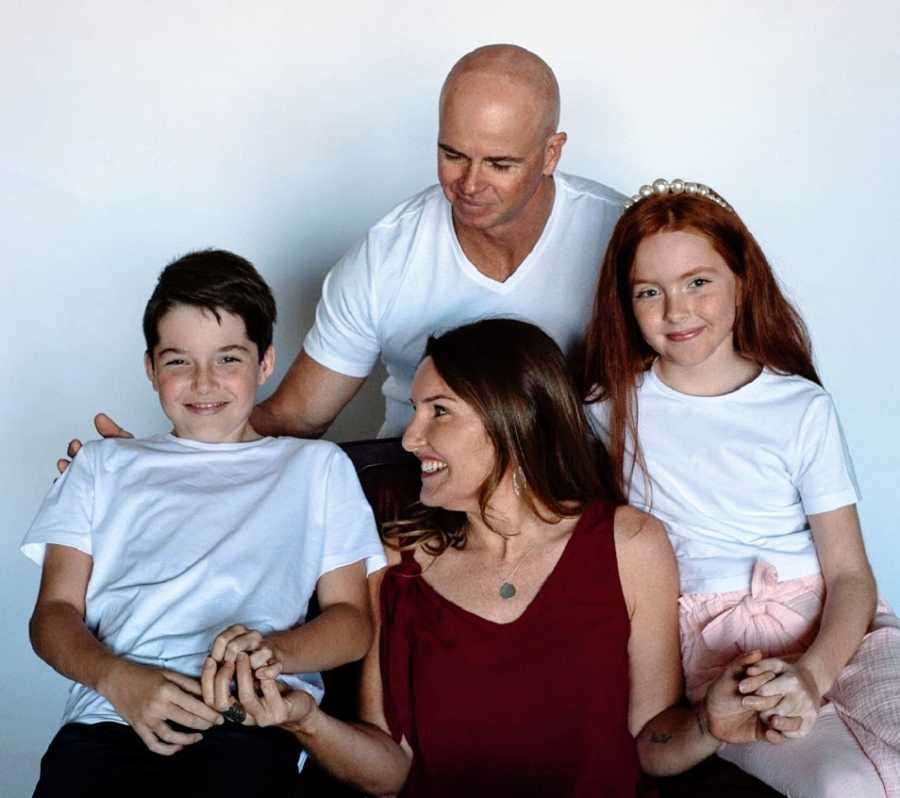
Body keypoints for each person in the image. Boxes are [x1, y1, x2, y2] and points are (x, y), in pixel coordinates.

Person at [206, 319, 797, 797]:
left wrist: (708, 725)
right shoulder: (399, 560)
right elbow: (392, 768)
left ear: (514, 420)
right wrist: (303, 718)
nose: (411, 439)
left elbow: (648, 742)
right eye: (415, 411)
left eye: (439, 411)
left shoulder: (629, 543)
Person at [58, 43, 624, 465]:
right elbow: (295, 418)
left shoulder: (621, 238)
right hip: (417, 483)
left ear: (551, 153)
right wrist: (151, 466)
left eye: (500, 164)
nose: (469, 183)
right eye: (452, 154)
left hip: (574, 485)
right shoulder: (386, 256)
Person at [23, 250, 386, 796]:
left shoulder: (316, 469)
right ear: (150, 368)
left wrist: (275, 654)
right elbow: (52, 614)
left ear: (266, 363)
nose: (202, 382)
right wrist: (117, 679)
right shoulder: (101, 465)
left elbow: (352, 623)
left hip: (245, 722)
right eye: (177, 361)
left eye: (228, 359)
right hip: (111, 717)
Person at [583, 179, 900, 797]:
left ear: (741, 280)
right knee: (841, 785)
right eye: (650, 292)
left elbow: (851, 574)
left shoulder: (798, 406)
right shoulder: (610, 407)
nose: (677, 310)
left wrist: (812, 673)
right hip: (721, 655)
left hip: (837, 629)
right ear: (627, 303)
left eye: (698, 282)